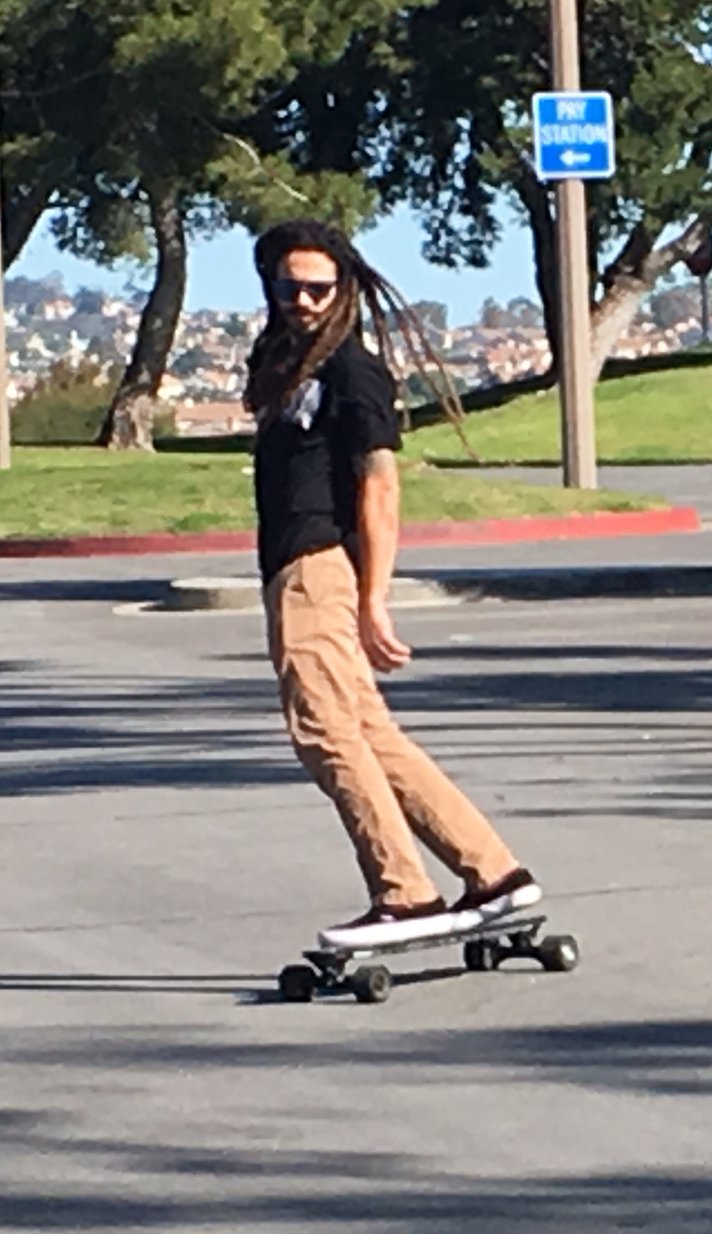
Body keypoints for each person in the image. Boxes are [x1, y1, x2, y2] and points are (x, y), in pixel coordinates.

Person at [244, 218, 539, 950]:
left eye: (318, 288)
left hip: (321, 570)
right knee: (372, 732)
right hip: (293, 568)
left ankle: (404, 894)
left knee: (324, 732)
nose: (303, 301)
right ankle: (496, 873)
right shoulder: (291, 360)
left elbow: (380, 487)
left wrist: (375, 597)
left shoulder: (351, 370)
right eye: (290, 287)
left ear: (343, 287)